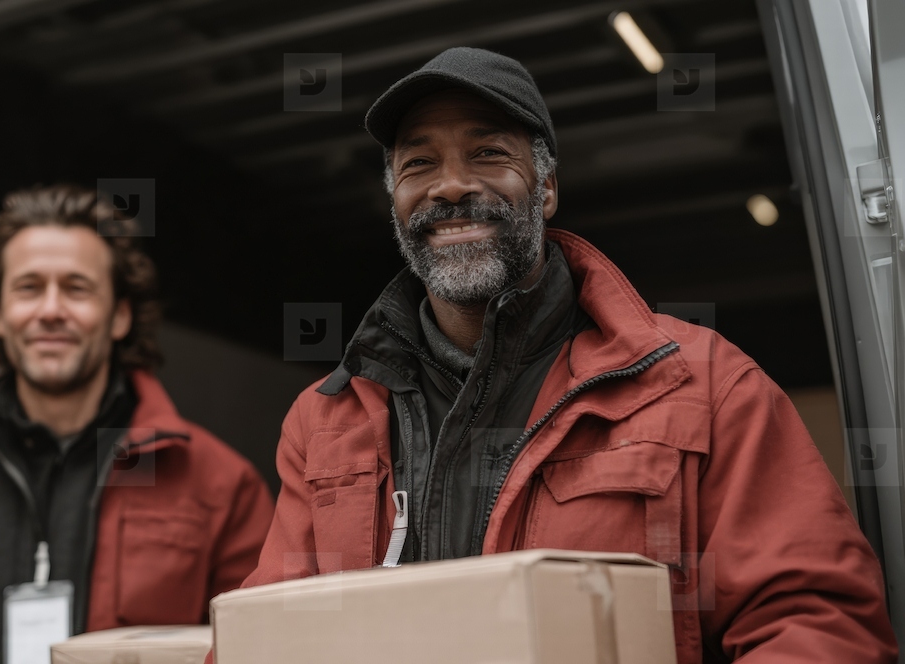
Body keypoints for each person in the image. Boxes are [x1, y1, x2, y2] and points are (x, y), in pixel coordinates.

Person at [239, 48, 897, 662]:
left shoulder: (703, 385)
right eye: (419, 164)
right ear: (394, 202)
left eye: (488, 153)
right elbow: (263, 638)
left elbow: (818, 625)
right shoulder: (323, 422)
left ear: (545, 190)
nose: (450, 187)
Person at [0, 184, 274, 662]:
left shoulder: (220, 485)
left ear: (120, 316)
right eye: (28, 287)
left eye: (77, 288)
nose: (51, 310)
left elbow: (262, 648)